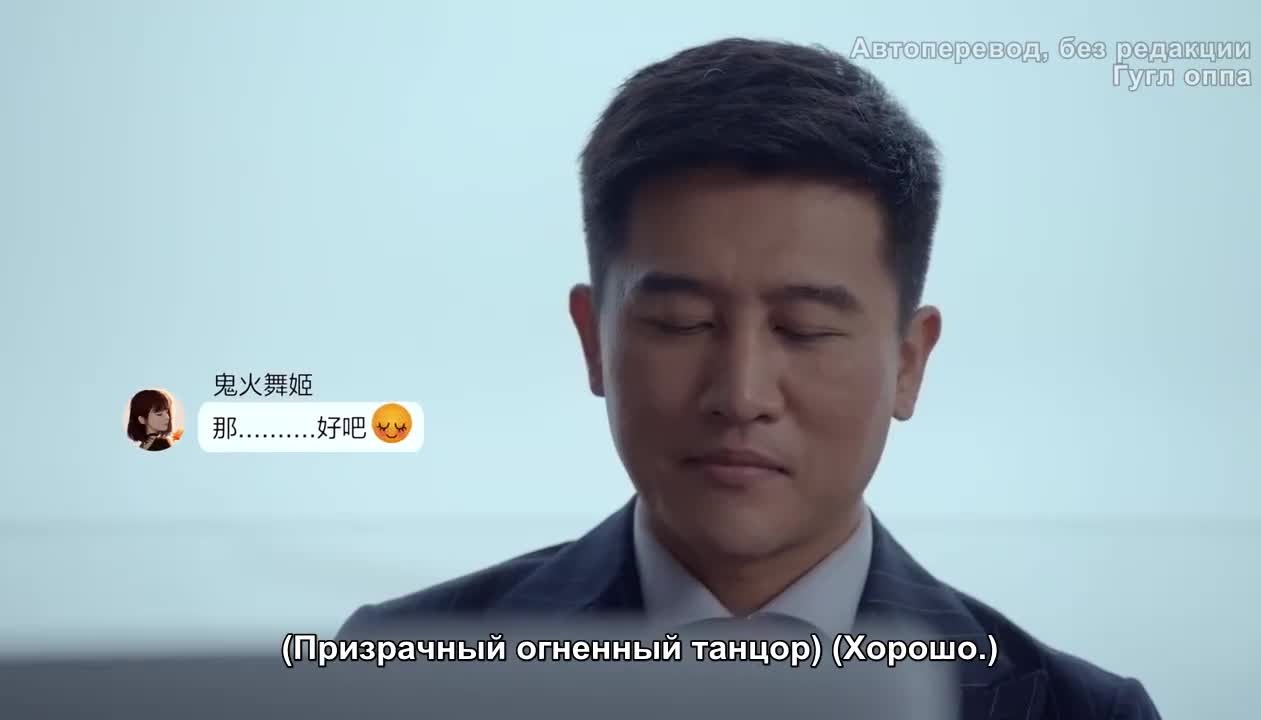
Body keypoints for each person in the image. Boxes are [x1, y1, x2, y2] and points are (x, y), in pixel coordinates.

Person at [339, 37, 1161, 719]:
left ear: (910, 362)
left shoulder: (1076, 711)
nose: (741, 395)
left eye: (805, 330)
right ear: (593, 340)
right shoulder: (399, 673)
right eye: (682, 322)